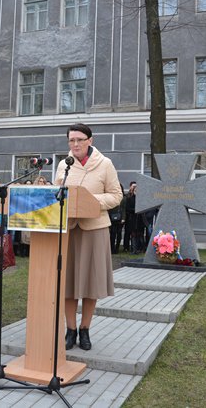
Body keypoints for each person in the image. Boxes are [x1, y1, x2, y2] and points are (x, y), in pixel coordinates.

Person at [55, 123, 122, 351]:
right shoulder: (64, 165)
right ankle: (70, 329)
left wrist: (91, 202)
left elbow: (116, 195)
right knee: (69, 283)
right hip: (69, 229)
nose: (75, 144)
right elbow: (56, 194)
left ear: (90, 141)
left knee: (90, 283)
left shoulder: (105, 164)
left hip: (95, 228)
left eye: (80, 140)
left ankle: (85, 329)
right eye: (71, 140)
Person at [108, 183, 125, 254]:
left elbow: (124, 209)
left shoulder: (124, 198)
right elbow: (109, 208)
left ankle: (117, 249)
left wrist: (123, 218)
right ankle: (112, 248)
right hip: (112, 218)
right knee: (112, 234)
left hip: (120, 219)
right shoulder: (112, 197)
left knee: (119, 234)